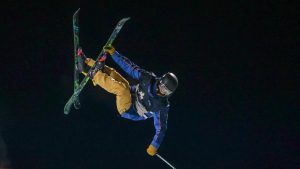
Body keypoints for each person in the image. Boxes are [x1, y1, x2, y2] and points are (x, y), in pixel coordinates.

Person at [76, 45, 178, 156]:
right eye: (163, 88)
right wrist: (115, 54)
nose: (163, 93)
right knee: (116, 77)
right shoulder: (148, 78)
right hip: (130, 94)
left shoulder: (162, 105)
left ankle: (91, 73)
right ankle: (86, 62)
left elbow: (161, 128)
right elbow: (130, 67)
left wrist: (154, 146)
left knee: (121, 89)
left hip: (129, 110)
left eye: (167, 92)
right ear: (160, 82)